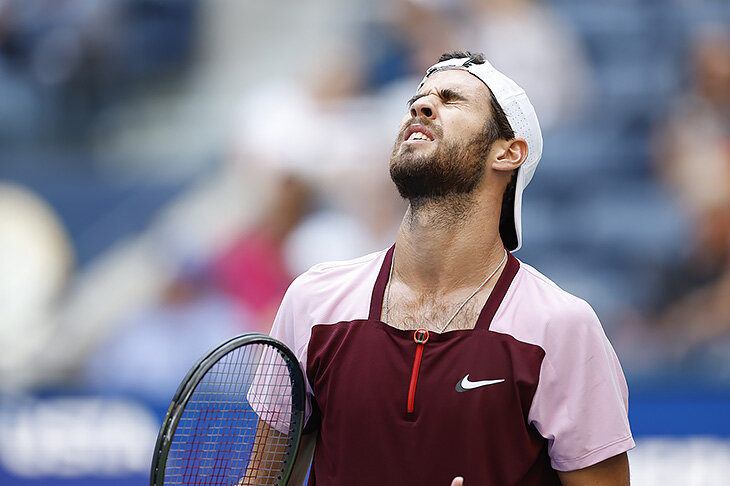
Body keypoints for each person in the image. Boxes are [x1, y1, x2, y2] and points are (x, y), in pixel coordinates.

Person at [262, 51, 634, 485]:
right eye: (417, 100)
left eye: (451, 99)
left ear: (508, 152)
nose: (421, 106)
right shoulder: (312, 299)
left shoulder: (562, 327)